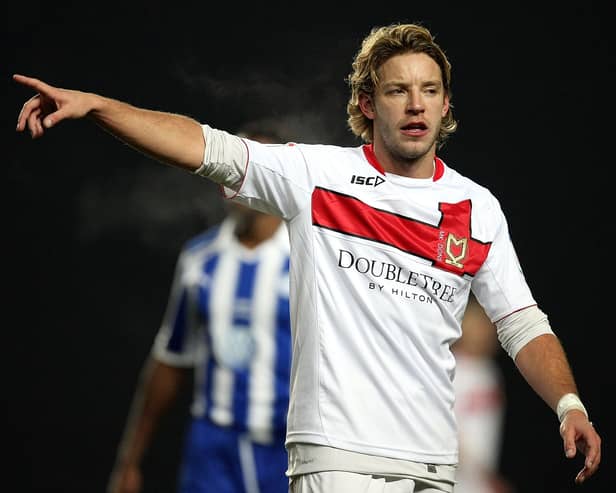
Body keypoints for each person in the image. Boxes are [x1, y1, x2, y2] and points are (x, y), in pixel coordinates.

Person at [14, 22, 601, 493]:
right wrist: (96, 106)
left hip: (433, 463)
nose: (416, 104)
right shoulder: (317, 176)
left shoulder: (478, 208)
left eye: (429, 90)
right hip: (339, 457)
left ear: (447, 105)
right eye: (398, 90)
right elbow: (202, 145)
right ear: (368, 104)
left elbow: (521, 323)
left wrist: (568, 404)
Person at [107, 127, 292, 493]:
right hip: (213, 450)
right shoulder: (200, 259)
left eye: (247, 169)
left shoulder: (310, 259)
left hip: (286, 450)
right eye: (229, 168)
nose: (234, 180)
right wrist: (130, 460)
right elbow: (171, 360)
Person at [452, 293, 514, 493]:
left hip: (478, 482)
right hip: (451, 480)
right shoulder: (450, 367)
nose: (484, 331)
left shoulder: (490, 372)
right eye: (477, 324)